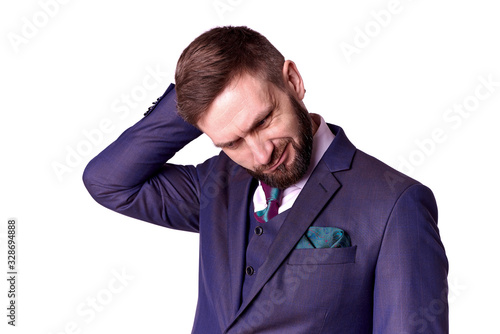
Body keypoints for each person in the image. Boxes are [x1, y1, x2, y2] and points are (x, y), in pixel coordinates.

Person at [83, 26, 448, 333]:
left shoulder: (395, 203)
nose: (260, 155)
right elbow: (109, 182)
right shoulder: (216, 184)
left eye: (262, 122)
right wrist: (198, 95)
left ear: (292, 80)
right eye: (232, 142)